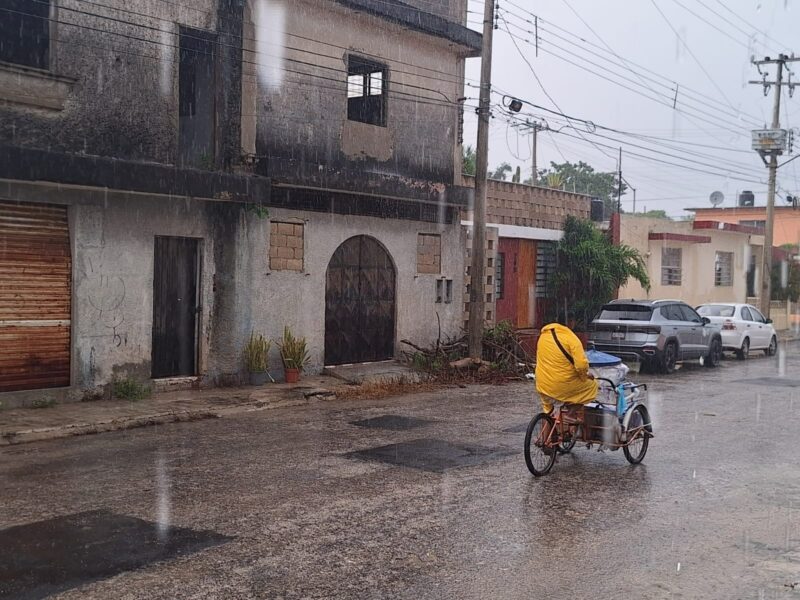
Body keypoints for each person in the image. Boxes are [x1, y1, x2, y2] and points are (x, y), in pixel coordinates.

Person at [535, 316, 598, 417]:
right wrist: (584, 376)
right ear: (570, 322)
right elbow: (581, 366)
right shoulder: (571, 338)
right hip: (562, 386)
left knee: (549, 414)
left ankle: (547, 429)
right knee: (592, 386)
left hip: (543, 385)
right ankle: (569, 415)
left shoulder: (543, 336)